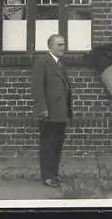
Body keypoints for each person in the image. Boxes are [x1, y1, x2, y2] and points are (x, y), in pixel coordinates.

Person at [31, 34, 72, 188]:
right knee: (48, 145)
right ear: (51, 46)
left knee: (56, 145)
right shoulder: (42, 62)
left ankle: (54, 174)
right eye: (60, 44)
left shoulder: (59, 64)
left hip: (60, 113)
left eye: (64, 44)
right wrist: (42, 109)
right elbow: (37, 89)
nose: (63, 47)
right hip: (49, 114)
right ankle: (47, 176)